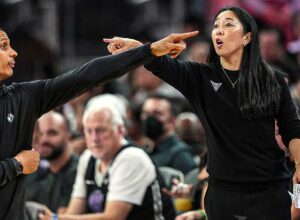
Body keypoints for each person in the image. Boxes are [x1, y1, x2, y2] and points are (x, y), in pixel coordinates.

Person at [0, 24, 198, 219]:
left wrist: (147, 51)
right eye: (4, 46)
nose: (14, 53)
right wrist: (17, 165)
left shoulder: (24, 97)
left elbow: (85, 77)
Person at [105, 6, 300, 220]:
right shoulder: (200, 77)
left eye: (228, 24)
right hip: (223, 194)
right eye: (216, 25)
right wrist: (137, 48)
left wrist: (299, 164)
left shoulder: (272, 80)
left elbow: (291, 127)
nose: (219, 30)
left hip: (269, 191)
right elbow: (160, 64)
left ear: (247, 37)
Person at [39, 99, 175, 220]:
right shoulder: (88, 158)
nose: (94, 138)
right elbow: (75, 211)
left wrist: (57, 218)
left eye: (101, 130)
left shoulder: (131, 158)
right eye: (89, 131)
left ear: (120, 131)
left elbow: (113, 217)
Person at [25, 111, 78, 217]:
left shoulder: (82, 172)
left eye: (52, 133)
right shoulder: (33, 174)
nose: (44, 140)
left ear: (69, 136)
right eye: (40, 134)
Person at [141, 94, 197, 175]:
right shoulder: (142, 151)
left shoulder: (180, 155)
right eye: (146, 113)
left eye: (157, 113)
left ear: (172, 121)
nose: (149, 118)